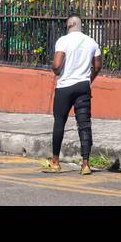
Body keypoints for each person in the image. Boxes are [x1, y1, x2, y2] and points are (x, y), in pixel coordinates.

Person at [46, 15, 101, 175]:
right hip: (83, 87)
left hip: (64, 87)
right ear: (80, 25)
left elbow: (57, 65)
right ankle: (85, 164)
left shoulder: (63, 41)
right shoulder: (91, 42)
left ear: (69, 25)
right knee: (84, 124)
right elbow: (97, 66)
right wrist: (88, 79)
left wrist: (57, 71)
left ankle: (55, 162)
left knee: (59, 123)